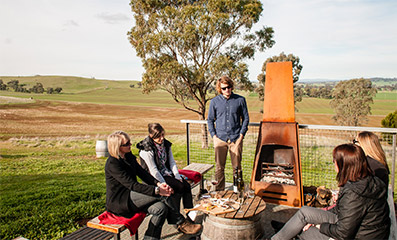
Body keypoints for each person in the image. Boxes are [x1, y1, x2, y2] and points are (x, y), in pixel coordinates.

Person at [271, 143, 390, 240]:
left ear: (344, 165)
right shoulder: (366, 180)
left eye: (335, 161)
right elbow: (341, 210)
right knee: (305, 212)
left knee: (306, 233)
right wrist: (315, 219)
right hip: (356, 226)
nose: (333, 164)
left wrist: (320, 226)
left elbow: (343, 233)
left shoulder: (355, 192)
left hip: (360, 235)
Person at [105, 131, 202, 240]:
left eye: (129, 142)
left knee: (161, 209)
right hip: (121, 200)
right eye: (126, 144)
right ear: (117, 147)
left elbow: (143, 173)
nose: (130, 145)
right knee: (163, 195)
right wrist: (157, 190)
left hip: (133, 195)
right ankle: (180, 222)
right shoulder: (113, 164)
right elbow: (132, 185)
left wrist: (159, 184)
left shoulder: (128, 156)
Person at [137, 123, 194, 211]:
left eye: (163, 135)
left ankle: (190, 213)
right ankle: (177, 218)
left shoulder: (166, 144)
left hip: (165, 172)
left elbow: (172, 162)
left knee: (186, 185)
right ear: (151, 136)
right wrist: (164, 185)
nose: (162, 138)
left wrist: (177, 176)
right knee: (178, 187)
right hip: (153, 178)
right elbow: (153, 170)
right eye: (158, 136)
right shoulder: (146, 149)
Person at [207, 76, 249, 191]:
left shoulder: (240, 100)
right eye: (224, 88)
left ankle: (238, 192)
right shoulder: (214, 102)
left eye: (229, 87)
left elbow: (245, 119)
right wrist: (214, 137)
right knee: (219, 168)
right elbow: (210, 120)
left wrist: (241, 136)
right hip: (220, 139)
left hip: (236, 139)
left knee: (237, 168)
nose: (227, 90)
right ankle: (220, 192)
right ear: (220, 89)